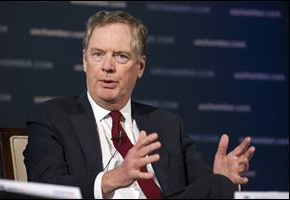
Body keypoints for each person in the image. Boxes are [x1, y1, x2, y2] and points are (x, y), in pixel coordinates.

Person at [23, 10, 255, 199]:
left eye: (121, 56)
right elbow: (46, 186)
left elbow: (201, 190)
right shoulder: (51, 117)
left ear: (140, 67)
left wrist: (223, 180)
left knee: (218, 185)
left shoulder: (167, 125)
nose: (107, 66)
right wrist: (115, 177)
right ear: (84, 61)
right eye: (97, 54)